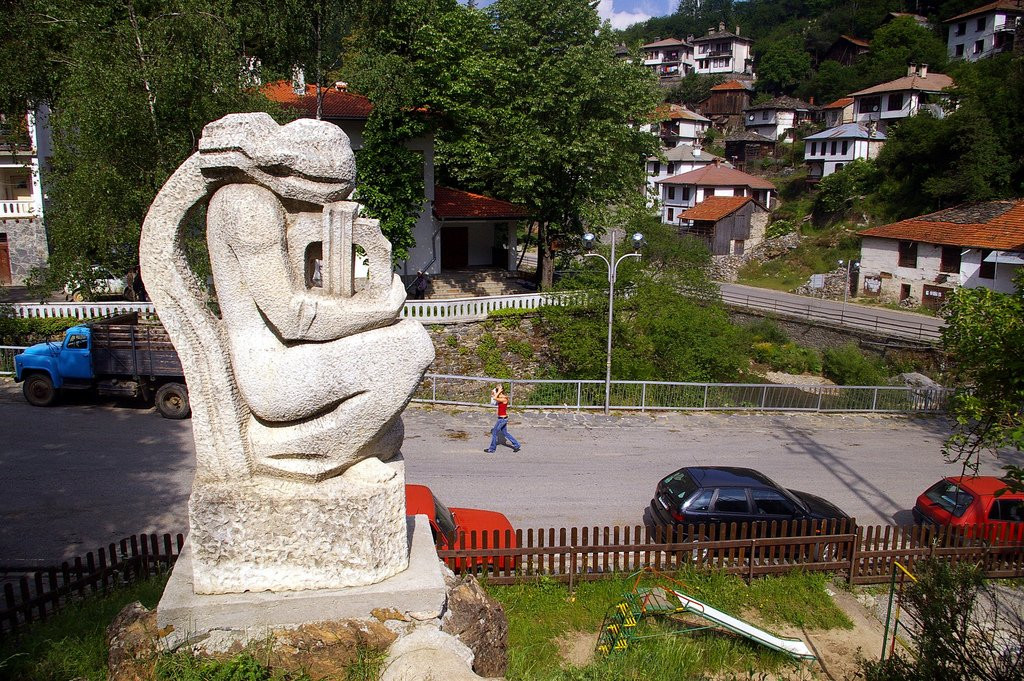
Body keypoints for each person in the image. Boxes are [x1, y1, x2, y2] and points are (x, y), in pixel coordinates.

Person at [485, 384, 521, 453]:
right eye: (497, 388)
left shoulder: (504, 398)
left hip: (502, 419)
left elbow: (495, 398)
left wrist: (498, 392)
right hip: (502, 418)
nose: (497, 388)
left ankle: (492, 449)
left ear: (501, 390)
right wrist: (494, 392)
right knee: (505, 433)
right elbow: (493, 401)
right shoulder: (500, 396)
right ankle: (517, 445)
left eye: (499, 388)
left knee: (495, 432)